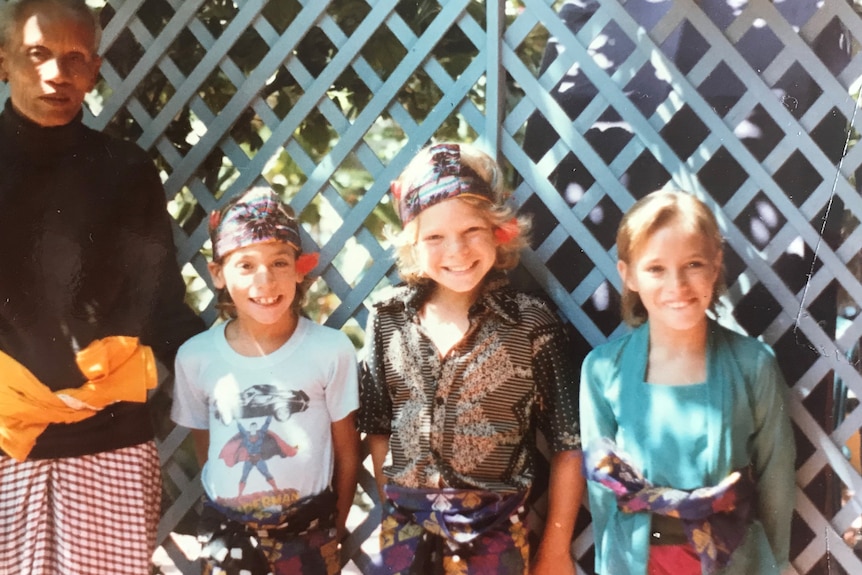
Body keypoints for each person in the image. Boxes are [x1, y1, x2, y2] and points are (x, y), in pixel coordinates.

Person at [0, 0, 205, 573]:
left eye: (74, 59)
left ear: (94, 70)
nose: (55, 74)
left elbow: (162, 302)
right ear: (3, 60)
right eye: (37, 54)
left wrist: (237, 368)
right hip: (5, 435)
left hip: (110, 437)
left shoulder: (125, 170)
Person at [358, 142, 584, 575]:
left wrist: (555, 548)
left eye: (471, 231)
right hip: (404, 534)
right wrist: (396, 504)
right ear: (413, 245)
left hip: (495, 533)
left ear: (499, 231)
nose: (457, 252)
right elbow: (377, 426)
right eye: (435, 238)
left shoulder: (531, 323)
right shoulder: (388, 320)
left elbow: (568, 446)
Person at [579, 190, 796, 575]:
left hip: (731, 561)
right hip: (638, 562)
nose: (677, 285)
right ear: (627, 275)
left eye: (693, 264)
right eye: (656, 269)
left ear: (716, 265)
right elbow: (602, 493)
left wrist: (774, 564)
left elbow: (777, 476)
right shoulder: (601, 370)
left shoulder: (753, 364)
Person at [171, 186, 360, 575]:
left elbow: (347, 452)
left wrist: (334, 529)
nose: (265, 281)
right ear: (218, 273)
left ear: (298, 268)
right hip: (228, 537)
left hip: (308, 533)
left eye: (279, 263)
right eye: (245, 265)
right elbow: (207, 447)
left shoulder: (331, 350)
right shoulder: (196, 356)